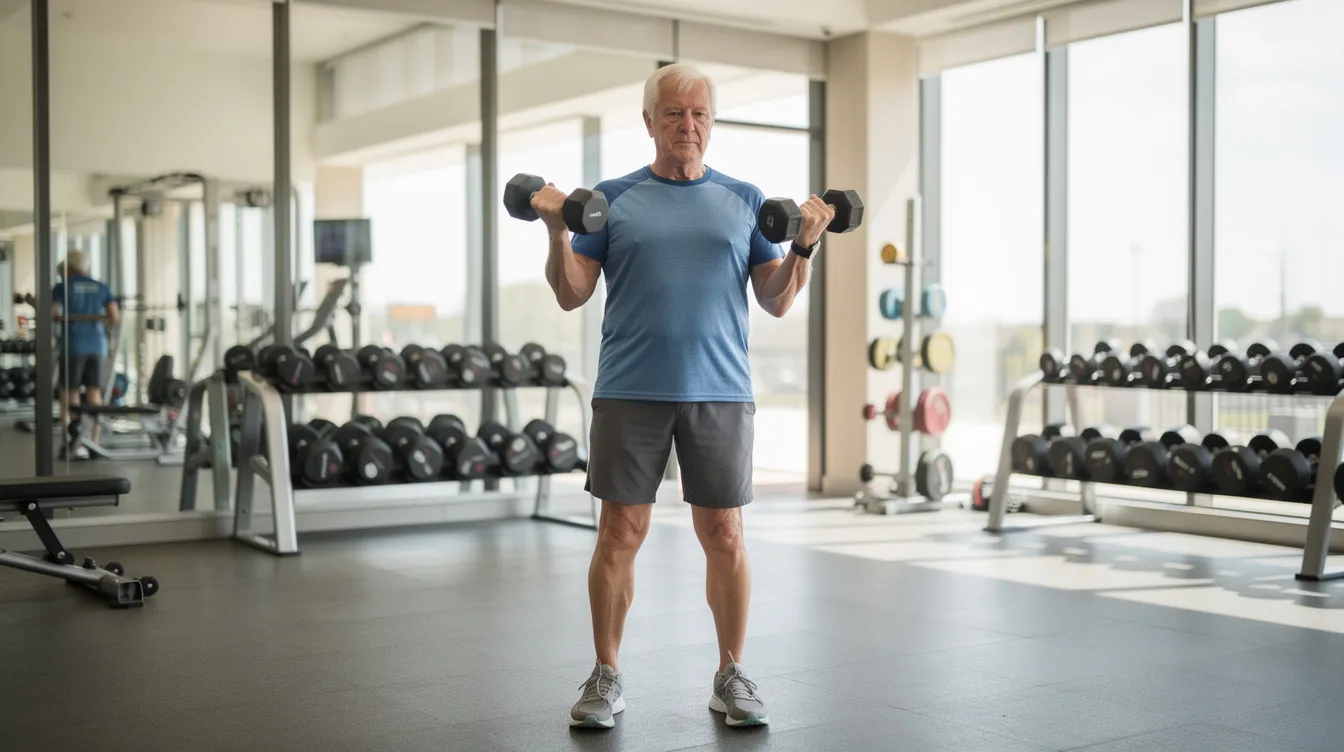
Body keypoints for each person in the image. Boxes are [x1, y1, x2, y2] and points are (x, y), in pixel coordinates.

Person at [531, 63, 834, 730]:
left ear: (711, 123)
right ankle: (606, 675)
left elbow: (776, 300)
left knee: (725, 533)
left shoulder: (744, 200)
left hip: (719, 392)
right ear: (649, 122)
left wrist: (805, 247)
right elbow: (572, 292)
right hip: (629, 388)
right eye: (673, 113)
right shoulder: (611, 200)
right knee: (620, 532)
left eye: (698, 114)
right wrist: (556, 228)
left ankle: (731, 675)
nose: (687, 125)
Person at [52, 250, 118, 458]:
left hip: (74, 345)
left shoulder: (63, 287)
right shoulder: (101, 286)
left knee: (69, 393)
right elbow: (114, 317)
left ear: (69, 268)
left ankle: (71, 442)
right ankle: (94, 443)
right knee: (94, 394)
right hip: (97, 347)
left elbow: (52, 314)